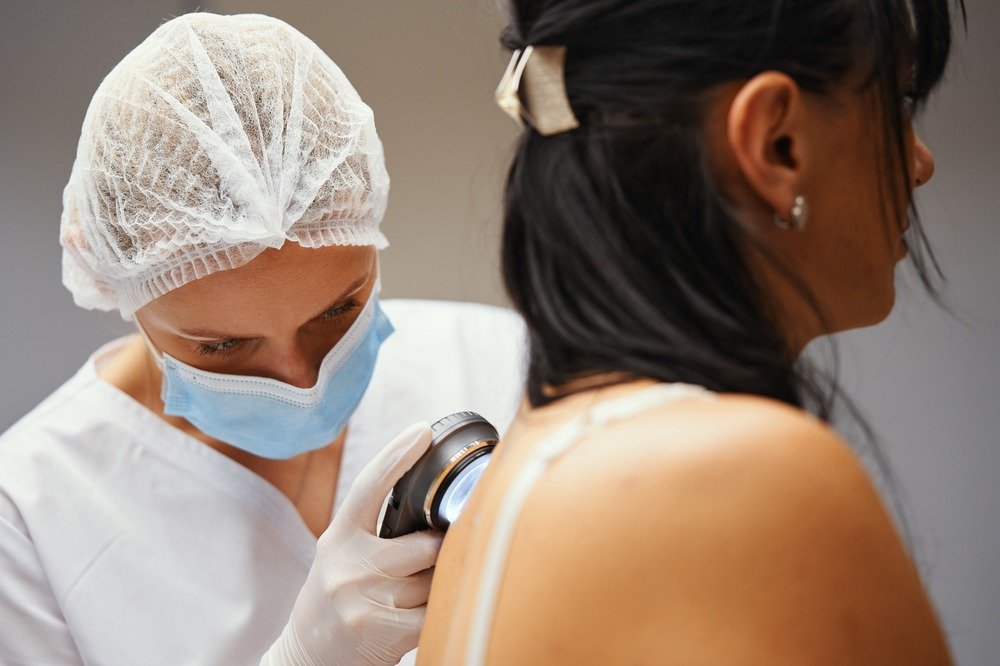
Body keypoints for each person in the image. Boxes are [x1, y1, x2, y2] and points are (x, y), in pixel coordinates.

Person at [418, 0, 964, 663]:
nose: (921, 161)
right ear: (776, 141)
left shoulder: (506, 481)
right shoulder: (748, 474)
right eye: (900, 104)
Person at [0, 13, 525, 666]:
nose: (303, 380)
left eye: (338, 310)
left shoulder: (500, 362)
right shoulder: (26, 518)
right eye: (222, 348)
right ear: (113, 283)